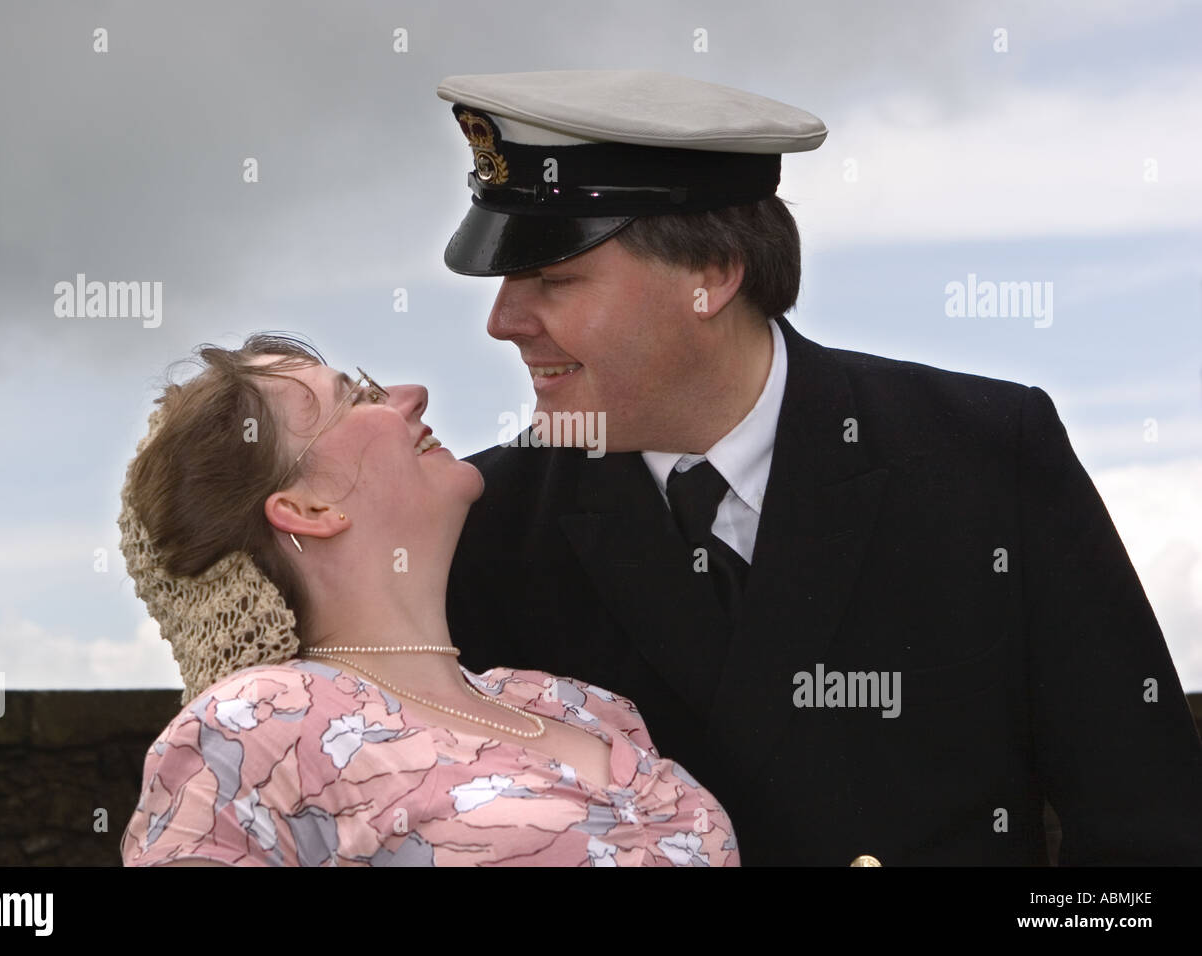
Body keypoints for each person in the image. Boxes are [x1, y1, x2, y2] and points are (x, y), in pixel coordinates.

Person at [437, 70, 1202, 866]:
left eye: (554, 279)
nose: (503, 323)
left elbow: (1147, 824)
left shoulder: (983, 451)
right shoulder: (481, 524)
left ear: (713, 273)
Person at [117, 335, 739, 867]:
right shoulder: (248, 729)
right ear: (308, 510)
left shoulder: (578, 705)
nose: (411, 394)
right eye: (358, 396)